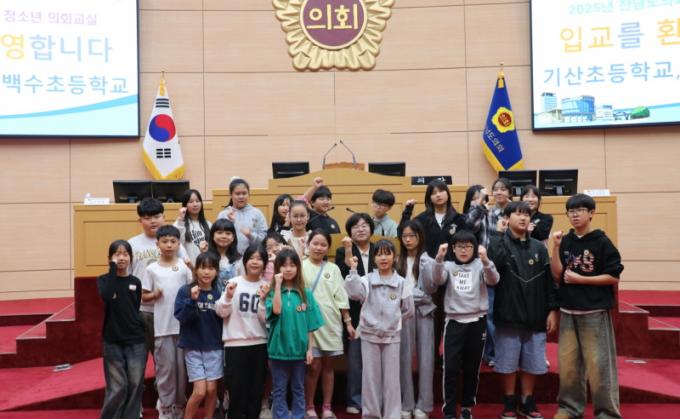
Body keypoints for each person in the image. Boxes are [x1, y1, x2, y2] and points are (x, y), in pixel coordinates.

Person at [550, 193, 624, 419]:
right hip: (568, 310)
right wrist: (555, 247)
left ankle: (607, 413)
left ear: (591, 213)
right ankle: (569, 409)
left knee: (599, 366)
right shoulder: (566, 240)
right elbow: (557, 275)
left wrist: (582, 279)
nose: (575, 215)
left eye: (580, 210)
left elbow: (613, 276)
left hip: (594, 312)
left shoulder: (602, 241)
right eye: (571, 211)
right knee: (569, 366)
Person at [487, 202, 558, 419]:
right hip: (508, 314)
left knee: (532, 362)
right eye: (518, 214)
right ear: (507, 218)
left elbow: (549, 283)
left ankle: (527, 401)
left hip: (536, 314)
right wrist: (498, 235)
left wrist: (552, 310)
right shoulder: (499, 242)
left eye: (526, 214)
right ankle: (509, 401)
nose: (523, 218)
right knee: (507, 362)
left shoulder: (539, 247)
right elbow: (494, 266)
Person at [425, 231, 499, 419]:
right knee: (450, 368)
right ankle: (449, 410)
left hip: (477, 322)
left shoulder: (480, 264)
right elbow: (437, 280)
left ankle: (467, 408)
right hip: (454, 322)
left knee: (472, 368)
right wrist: (439, 259)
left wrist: (486, 260)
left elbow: (494, 280)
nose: (464, 250)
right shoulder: (448, 265)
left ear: (474, 248)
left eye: (468, 246)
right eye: (459, 246)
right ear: (453, 248)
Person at [344, 239, 415, 419]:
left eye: (387, 254)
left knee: (392, 379)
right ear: (374, 258)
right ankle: (371, 415)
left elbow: (409, 310)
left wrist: (394, 322)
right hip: (369, 335)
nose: (383, 258)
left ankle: (392, 415)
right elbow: (354, 293)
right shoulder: (366, 279)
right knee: (370, 378)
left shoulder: (402, 282)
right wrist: (353, 271)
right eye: (379, 254)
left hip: (392, 336)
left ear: (395, 257)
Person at [141, 225, 194, 419]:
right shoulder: (151, 269)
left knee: (181, 370)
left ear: (179, 244)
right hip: (162, 327)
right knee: (166, 369)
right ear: (158, 244)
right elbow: (143, 296)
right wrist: (154, 295)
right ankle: (165, 407)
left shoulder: (183, 267)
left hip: (183, 327)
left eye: (173, 241)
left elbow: (192, 290)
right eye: (165, 241)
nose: (169, 245)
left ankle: (179, 406)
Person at [265, 248, 324, 419]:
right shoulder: (272, 292)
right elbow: (276, 310)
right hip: (278, 350)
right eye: (283, 265)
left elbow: (311, 325)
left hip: (300, 351)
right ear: (277, 268)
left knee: (298, 388)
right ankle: (281, 416)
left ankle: (298, 416)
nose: (288, 269)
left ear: (298, 267)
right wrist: (277, 286)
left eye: (292, 265)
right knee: (279, 389)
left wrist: (310, 349)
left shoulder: (306, 294)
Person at [216, 245, 271, 419]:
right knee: (237, 391)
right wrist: (228, 297)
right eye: (251, 258)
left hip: (260, 344)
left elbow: (267, 320)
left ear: (265, 264)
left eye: (260, 259)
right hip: (235, 345)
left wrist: (263, 301)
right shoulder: (234, 283)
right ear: (245, 261)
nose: (255, 262)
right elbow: (221, 312)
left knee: (256, 391)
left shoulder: (266, 287)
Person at [302, 230, 353, 419]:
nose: (319, 247)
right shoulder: (300, 265)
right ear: (308, 244)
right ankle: (309, 407)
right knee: (313, 366)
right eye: (315, 243)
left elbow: (341, 297)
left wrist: (348, 322)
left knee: (329, 366)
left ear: (328, 248)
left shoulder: (333, 269)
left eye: (323, 244)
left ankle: (327, 407)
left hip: (331, 322)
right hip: (309, 323)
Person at [98, 240, 146, 419]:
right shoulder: (104, 280)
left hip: (136, 339)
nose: (121, 258)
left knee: (135, 384)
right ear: (109, 258)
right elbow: (108, 296)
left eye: (125, 254)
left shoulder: (135, 282)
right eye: (117, 254)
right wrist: (112, 269)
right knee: (117, 387)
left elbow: (135, 307)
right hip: (112, 340)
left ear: (131, 258)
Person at [334, 213, 377, 415]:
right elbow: (344, 277)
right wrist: (349, 250)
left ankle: (375, 399)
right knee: (355, 360)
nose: (361, 229)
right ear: (350, 231)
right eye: (356, 226)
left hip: (378, 312)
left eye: (364, 225)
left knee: (376, 361)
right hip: (355, 312)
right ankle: (354, 399)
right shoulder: (342, 250)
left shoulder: (379, 249)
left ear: (371, 229)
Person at [174, 252, 223, 419]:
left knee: (211, 390)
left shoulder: (219, 293)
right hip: (193, 346)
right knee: (200, 391)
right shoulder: (185, 291)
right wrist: (192, 301)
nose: (206, 272)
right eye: (203, 268)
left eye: (211, 268)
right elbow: (181, 317)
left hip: (214, 346)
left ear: (216, 271)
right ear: (196, 270)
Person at [396, 220, 436, 419]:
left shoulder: (429, 260)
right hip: (403, 313)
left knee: (426, 358)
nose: (408, 240)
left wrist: (409, 295)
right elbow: (395, 290)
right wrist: (412, 296)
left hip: (425, 312)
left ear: (420, 237)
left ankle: (423, 405)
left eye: (412, 236)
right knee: (404, 358)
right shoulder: (397, 260)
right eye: (404, 236)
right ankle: (407, 403)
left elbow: (431, 290)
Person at [484, 177, 513, 368]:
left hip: (511, 266)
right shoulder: (487, 213)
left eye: (503, 189)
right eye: (496, 189)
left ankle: (509, 352)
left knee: (508, 311)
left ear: (510, 192)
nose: (499, 192)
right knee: (490, 312)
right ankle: (493, 353)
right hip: (491, 265)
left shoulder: (516, 212)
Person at [400, 179, 466, 259]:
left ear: (448, 194)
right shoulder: (422, 219)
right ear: (429, 198)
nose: (438, 195)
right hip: (428, 264)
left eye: (441, 191)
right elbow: (402, 232)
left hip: (453, 264)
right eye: (434, 193)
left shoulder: (459, 219)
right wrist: (407, 211)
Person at [217, 177, 268, 254]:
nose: (241, 197)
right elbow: (218, 238)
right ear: (231, 195)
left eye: (244, 193)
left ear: (248, 194)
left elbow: (265, 240)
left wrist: (250, 235)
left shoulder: (257, 213)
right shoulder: (224, 214)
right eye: (237, 194)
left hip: (252, 257)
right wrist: (230, 224)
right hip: (229, 257)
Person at [174, 189, 212, 265]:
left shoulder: (209, 224)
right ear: (185, 205)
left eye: (197, 201)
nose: (195, 204)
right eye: (191, 202)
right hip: (187, 267)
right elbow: (177, 243)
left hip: (204, 267)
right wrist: (181, 220)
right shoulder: (179, 224)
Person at [208, 219, 243, 294]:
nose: (224, 236)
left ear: (233, 237)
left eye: (228, 233)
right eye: (219, 233)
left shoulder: (239, 260)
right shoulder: (206, 258)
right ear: (212, 236)